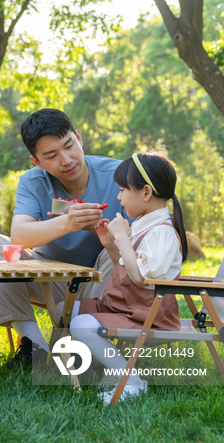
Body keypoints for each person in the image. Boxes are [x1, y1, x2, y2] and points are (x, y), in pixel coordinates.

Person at [0, 108, 128, 368]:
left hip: (102, 280)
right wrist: (68, 222)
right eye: (51, 156)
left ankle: (94, 336)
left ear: (79, 138)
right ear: (37, 162)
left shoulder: (119, 175)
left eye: (69, 146)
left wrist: (100, 230)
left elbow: (141, 239)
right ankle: (36, 348)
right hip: (50, 280)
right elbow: (20, 235)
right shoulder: (32, 181)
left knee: (112, 250)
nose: (66, 160)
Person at [56, 152, 187, 404]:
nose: (118, 197)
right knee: (65, 309)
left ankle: (130, 379)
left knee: (81, 325)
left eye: (123, 190)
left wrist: (123, 238)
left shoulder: (161, 233)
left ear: (146, 193)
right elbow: (127, 268)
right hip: (128, 308)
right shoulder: (143, 225)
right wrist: (111, 244)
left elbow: (140, 280)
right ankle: (113, 367)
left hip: (147, 315)